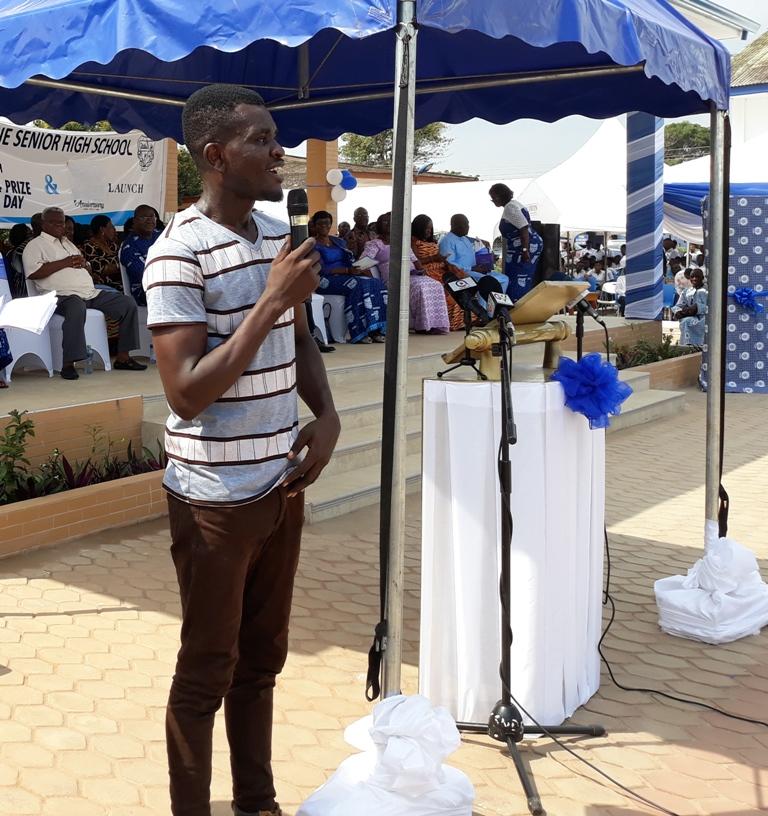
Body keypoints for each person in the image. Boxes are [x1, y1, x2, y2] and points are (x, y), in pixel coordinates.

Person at [144, 84, 340, 816]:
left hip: (278, 483)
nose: (279, 151)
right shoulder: (176, 254)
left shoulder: (272, 237)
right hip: (214, 502)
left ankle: (257, 803)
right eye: (261, 139)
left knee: (261, 665)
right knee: (207, 672)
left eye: (276, 136)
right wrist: (268, 303)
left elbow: (297, 336)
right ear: (215, 156)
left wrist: (325, 415)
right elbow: (185, 392)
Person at [22, 206, 146, 380]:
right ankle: (68, 363)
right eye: (54, 222)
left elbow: (84, 265)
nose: (59, 225)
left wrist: (84, 265)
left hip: (89, 293)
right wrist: (64, 262)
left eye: (62, 222)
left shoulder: (68, 243)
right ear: (43, 224)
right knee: (76, 306)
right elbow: (33, 273)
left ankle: (123, 357)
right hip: (58, 295)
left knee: (127, 304)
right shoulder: (35, 245)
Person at [362, 212, 449, 334]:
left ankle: (435, 325)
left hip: (413, 274)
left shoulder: (403, 242)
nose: (389, 224)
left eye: (392, 221)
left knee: (436, 285)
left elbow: (415, 260)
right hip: (395, 278)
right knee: (420, 287)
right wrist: (374, 282)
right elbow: (362, 265)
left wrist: (421, 270)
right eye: (385, 222)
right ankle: (423, 326)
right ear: (379, 225)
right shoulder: (375, 244)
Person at [313, 210, 387, 343]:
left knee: (376, 283)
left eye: (327, 223)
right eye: (320, 224)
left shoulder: (338, 241)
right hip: (325, 280)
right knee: (357, 284)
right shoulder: (312, 244)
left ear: (331, 224)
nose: (324, 226)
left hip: (346, 275)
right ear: (314, 226)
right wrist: (347, 270)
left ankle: (375, 329)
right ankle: (359, 332)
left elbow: (349, 259)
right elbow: (321, 269)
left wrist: (358, 267)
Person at [411, 213, 466, 331]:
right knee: (448, 292)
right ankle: (452, 322)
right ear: (419, 228)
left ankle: (465, 320)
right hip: (428, 272)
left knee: (461, 285)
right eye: (426, 228)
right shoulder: (413, 241)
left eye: (431, 229)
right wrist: (433, 258)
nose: (429, 231)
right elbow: (414, 260)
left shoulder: (433, 241)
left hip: (441, 269)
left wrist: (447, 263)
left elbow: (438, 257)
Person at [489, 183, 543, 301]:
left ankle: (516, 308)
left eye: (493, 198)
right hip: (522, 247)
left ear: (499, 196)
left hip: (523, 248)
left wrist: (525, 250)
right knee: (520, 277)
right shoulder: (515, 204)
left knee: (517, 279)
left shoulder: (510, 207)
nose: (492, 201)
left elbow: (523, 227)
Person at [438, 213, 509, 293]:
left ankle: (498, 304)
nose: (468, 227)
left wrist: (487, 261)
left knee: (504, 279)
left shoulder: (464, 238)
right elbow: (450, 265)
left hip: (477, 270)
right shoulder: (446, 241)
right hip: (464, 273)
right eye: (465, 224)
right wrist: (472, 268)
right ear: (454, 225)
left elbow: (472, 255)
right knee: (490, 283)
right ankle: (483, 304)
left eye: (468, 224)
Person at [119, 204, 161, 306]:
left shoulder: (162, 235)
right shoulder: (129, 246)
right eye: (143, 217)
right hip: (146, 291)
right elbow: (143, 274)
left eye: (152, 216)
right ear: (134, 221)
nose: (149, 220)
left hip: (167, 282)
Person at [83, 215, 121, 288]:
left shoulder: (113, 245)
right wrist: (121, 266)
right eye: (111, 226)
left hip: (121, 281)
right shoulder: (89, 245)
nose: (114, 229)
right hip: (104, 285)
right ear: (102, 229)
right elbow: (99, 268)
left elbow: (123, 259)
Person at [672, 268, 707, 348]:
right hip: (689, 317)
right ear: (689, 278)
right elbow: (678, 306)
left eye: (697, 277)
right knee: (686, 321)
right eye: (692, 277)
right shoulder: (686, 291)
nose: (694, 279)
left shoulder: (708, 291)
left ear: (702, 278)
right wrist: (678, 312)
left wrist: (698, 308)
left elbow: (713, 307)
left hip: (704, 318)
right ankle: (687, 347)